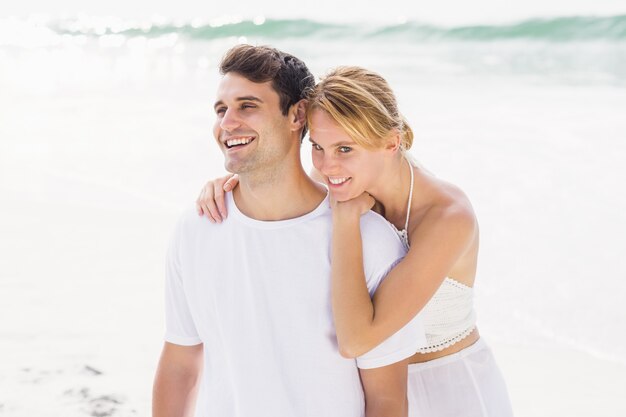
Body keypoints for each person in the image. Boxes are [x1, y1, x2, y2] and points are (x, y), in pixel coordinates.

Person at [197, 66, 514, 416]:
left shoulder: (447, 216)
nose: (327, 166)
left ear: (392, 143)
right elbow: (278, 214)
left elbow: (356, 340)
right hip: (372, 391)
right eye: (318, 146)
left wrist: (346, 221)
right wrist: (230, 185)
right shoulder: (341, 178)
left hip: (450, 392)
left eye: (345, 149)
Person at [152, 45, 426, 417]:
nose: (227, 123)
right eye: (221, 110)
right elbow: (180, 364)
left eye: (247, 106)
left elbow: (387, 399)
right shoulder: (197, 227)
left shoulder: (370, 240)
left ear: (297, 114)